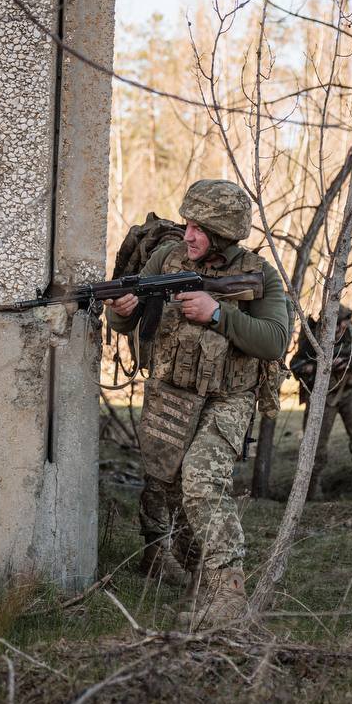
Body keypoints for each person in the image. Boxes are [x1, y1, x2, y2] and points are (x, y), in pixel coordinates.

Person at [105, 179, 289, 627]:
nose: (187, 234)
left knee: (202, 482)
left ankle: (228, 589)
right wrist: (121, 311)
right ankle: (199, 575)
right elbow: (123, 322)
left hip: (227, 399)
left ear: (223, 234)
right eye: (186, 224)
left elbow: (276, 340)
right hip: (171, 394)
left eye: (198, 228)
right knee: (170, 487)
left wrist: (219, 314)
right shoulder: (164, 259)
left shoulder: (259, 275)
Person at [288, 305, 352, 499]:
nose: (340, 329)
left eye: (343, 324)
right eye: (337, 325)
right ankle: (312, 485)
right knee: (316, 441)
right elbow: (295, 365)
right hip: (323, 396)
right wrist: (318, 367)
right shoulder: (313, 339)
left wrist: (348, 364)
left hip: (349, 391)